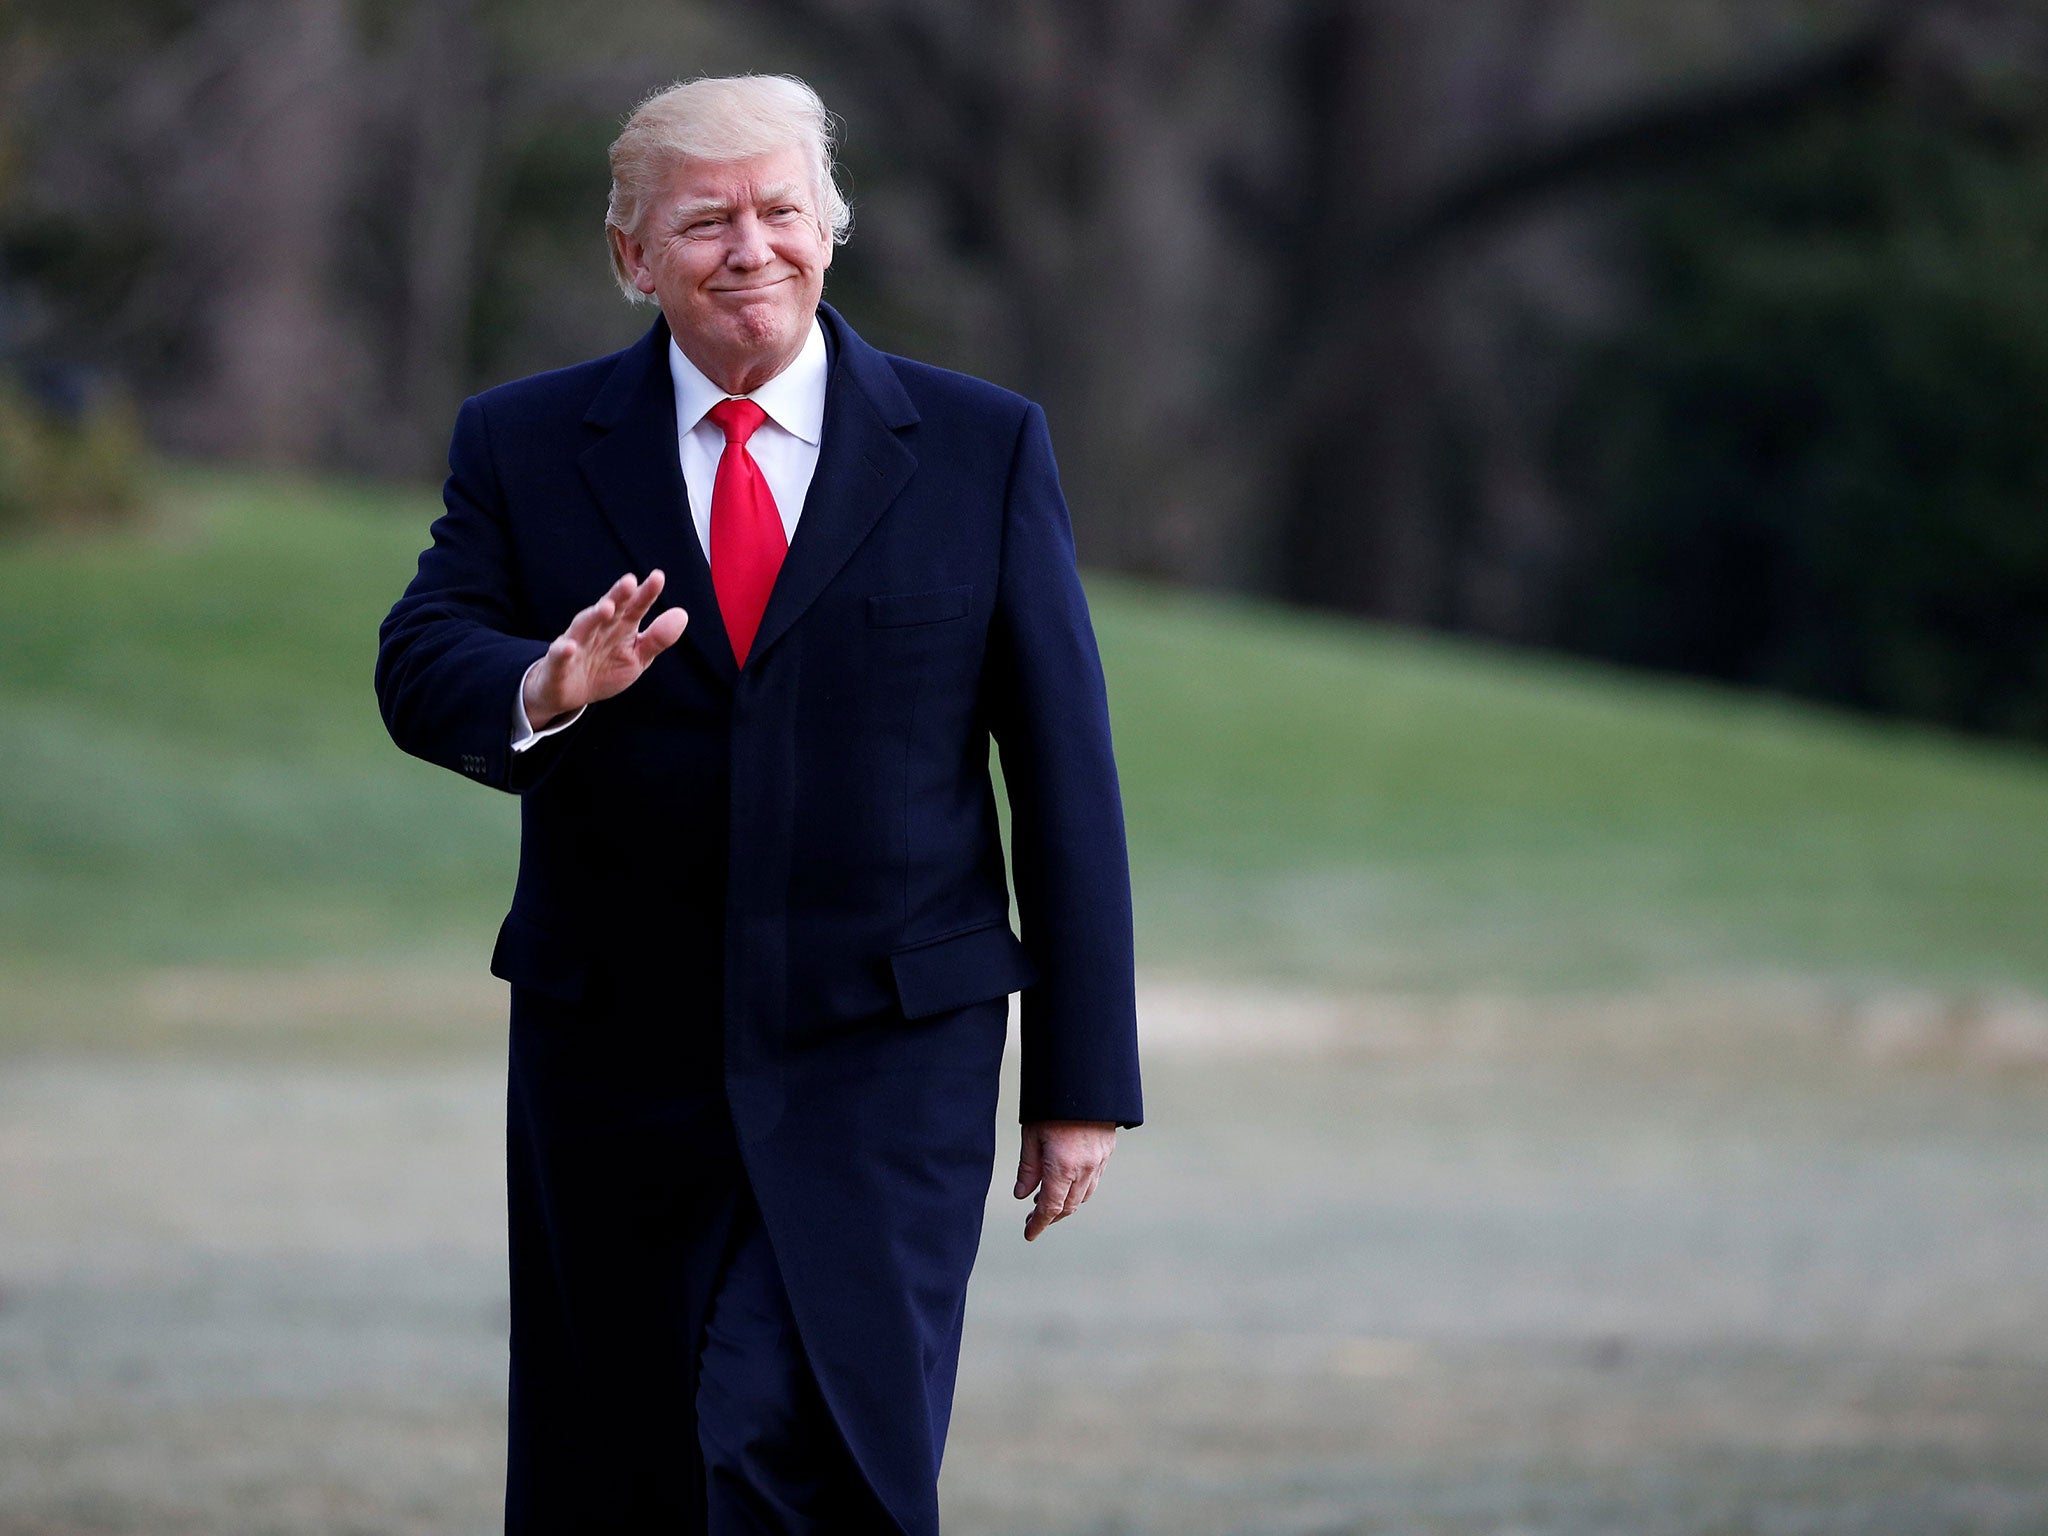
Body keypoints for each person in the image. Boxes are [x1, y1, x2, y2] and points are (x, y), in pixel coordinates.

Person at [374, 73, 1143, 1534]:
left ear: (831, 230)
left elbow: (1062, 772)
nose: (751, 248)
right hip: (618, 1059)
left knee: (816, 1435)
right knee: (629, 1461)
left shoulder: (981, 449)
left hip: (885, 1062)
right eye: (706, 220)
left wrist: (1081, 1080)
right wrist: (547, 681)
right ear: (632, 257)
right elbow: (421, 660)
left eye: (781, 210)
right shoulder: (526, 443)